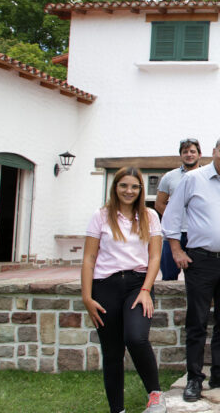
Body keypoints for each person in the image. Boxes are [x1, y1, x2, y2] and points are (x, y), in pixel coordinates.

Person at [163, 136, 220, 402]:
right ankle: (193, 378)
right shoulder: (193, 179)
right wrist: (177, 250)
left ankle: (219, 373)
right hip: (200, 260)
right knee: (197, 321)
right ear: (213, 152)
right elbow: (172, 216)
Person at [81, 167, 166, 413]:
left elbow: (155, 256)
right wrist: (87, 297)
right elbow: (89, 258)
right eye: (124, 186)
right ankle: (117, 410)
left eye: (134, 186)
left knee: (136, 338)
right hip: (105, 286)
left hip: (137, 284)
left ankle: (156, 396)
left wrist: (146, 289)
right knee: (112, 352)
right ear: (115, 187)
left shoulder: (150, 216)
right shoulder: (100, 216)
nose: (129, 191)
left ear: (140, 190)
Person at [155, 138, 201, 281]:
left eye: (192, 151)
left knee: (198, 276)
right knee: (169, 276)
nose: (189, 154)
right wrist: (173, 219)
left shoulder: (206, 176)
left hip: (197, 234)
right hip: (173, 235)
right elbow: (159, 204)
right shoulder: (169, 177)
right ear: (180, 155)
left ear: (199, 154)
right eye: (185, 152)